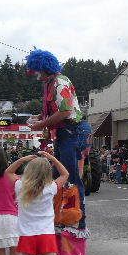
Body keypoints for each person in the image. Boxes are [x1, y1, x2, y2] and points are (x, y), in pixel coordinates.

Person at [25, 49, 92, 232]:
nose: (36, 75)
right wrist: (38, 118)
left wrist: (41, 125)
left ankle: (79, 223)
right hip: (64, 133)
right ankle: (62, 217)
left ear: (44, 68)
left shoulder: (60, 82)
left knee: (70, 177)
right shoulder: (49, 83)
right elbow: (54, 111)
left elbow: (64, 112)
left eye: (36, 70)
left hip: (73, 131)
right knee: (57, 175)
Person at [10, 152, 76, 255]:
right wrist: (52, 158)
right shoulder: (50, 188)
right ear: (47, 172)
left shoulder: (21, 186)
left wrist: (23, 159)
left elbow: (8, 173)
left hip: (27, 235)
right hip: (46, 234)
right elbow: (65, 174)